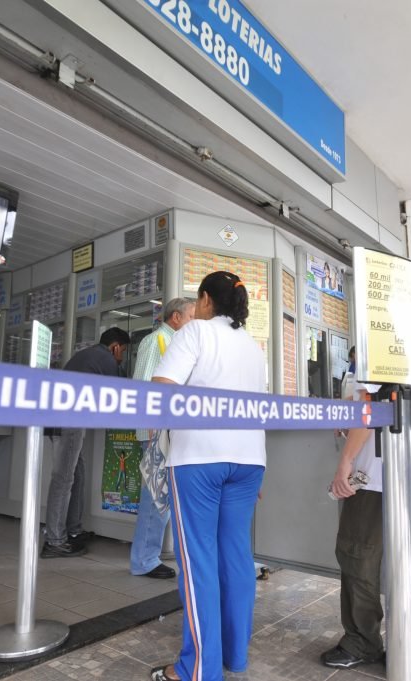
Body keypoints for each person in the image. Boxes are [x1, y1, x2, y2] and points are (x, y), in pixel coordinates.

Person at [149, 271, 266, 681]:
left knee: (198, 561)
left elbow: (162, 388)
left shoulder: (195, 333)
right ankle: (234, 656)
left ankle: (197, 669)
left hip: (199, 458)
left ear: (203, 301)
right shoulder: (254, 347)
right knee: (235, 557)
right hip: (249, 461)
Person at [319, 301, 411, 671]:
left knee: (358, 553)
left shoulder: (384, 346)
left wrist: (345, 461)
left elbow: (369, 408)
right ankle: (409, 645)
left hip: (378, 472)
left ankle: (361, 641)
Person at [41, 327, 130, 558]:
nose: (121, 357)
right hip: (68, 422)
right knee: (63, 479)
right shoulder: (105, 359)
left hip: (61, 420)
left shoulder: (88, 355)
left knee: (76, 475)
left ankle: (73, 531)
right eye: (123, 352)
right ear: (116, 347)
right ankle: (55, 541)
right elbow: (119, 395)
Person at [130, 297, 195, 580]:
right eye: (193, 316)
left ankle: (148, 556)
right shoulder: (155, 341)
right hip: (157, 433)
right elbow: (144, 387)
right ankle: (144, 560)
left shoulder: (179, 345)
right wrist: (154, 428)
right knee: (156, 498)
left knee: (162, 497)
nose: (197, 323)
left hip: (172, 432)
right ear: (176, 318)